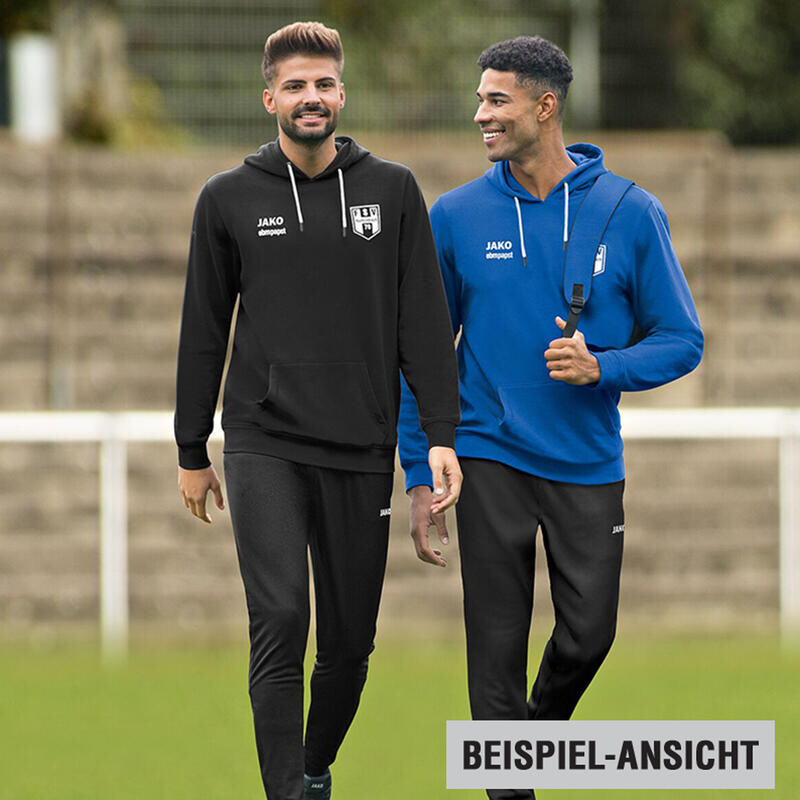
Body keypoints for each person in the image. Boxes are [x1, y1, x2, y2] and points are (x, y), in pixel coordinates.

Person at [398, 35, 703, 800]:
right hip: (488, 454)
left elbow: (682, 340)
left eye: (496, 100)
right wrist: (418, 467)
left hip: (587, 462)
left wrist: (605, 366)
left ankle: (523, 750)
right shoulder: (455, 215)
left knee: (589, 635)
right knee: (494, 651)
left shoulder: (631, 212)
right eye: (479, 100)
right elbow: (423, 356)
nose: (481, 114)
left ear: (545, 106)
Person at [174, 21, 462, 800]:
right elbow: (203, 330)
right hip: (263, 442)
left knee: (348, 646)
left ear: (342, 94)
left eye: (324, 84)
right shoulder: (226, 198)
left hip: (360, 445)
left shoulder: (393, 190)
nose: (312, 97)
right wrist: (191, 448)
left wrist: (439, 437)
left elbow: (424, 328)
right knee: (279, 621)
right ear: (269, 98)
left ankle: (312, 768)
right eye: (296, 85)